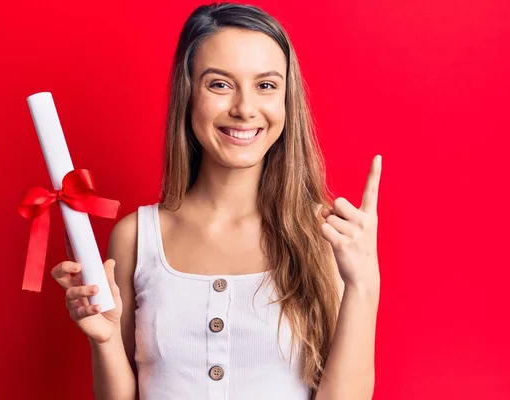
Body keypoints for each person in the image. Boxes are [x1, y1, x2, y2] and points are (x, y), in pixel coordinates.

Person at [51, 3, 382, 400]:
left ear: (287, 100)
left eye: (266, 85)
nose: (244, 108)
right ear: (188, 94)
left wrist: (364, 284)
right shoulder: (135, 237)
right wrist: (103, 342)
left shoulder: (327, 237)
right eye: (220, 84)